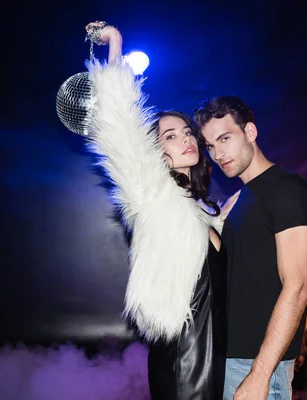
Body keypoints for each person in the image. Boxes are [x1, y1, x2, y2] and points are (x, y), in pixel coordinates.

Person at [80, 22, 227, 399]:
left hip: (221, 349)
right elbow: (120, 128)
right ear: (156, 151)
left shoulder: (204, 210)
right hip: (185, 353)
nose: (185, 139)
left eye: (186, 132)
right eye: (170, 136)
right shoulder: (149, 192)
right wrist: (116, 46)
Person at [194, 96, 307, 400]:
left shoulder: (287, 189)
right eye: (210, 146)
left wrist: (260, 374)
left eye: (225, 138)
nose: (218, 153)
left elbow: (299, 287)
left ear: (250, 132)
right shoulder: (239, 200)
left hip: (259, 365)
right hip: (231, 359)